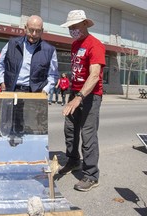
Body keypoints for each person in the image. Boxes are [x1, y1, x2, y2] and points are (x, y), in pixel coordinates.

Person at [59, 10, 106, 192]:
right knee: (69, 129)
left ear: (85, 24)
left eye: (75, 26)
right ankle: (73, 161)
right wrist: (73, 95)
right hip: (75, 92)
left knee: (88, 135)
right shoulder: (75, 45)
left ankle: (91, 175)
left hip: (90, 96)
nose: (72, 30)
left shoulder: (96, 45)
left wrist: (79, 98)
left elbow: (94, 76)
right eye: (70, 27)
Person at [0, 15, 59, 133]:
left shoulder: (49, 50)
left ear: (42, 31)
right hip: (12, 91)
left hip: (34, 94)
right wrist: (1, 81)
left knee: (31, 126)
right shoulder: (11, 44)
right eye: (31, 30)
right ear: (25, 28)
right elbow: (0, 64)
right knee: (9, 125)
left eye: (38, 31)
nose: (34, 34)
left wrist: (45, 90)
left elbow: (53, 75)